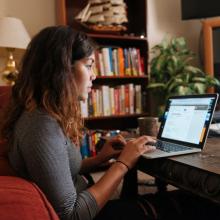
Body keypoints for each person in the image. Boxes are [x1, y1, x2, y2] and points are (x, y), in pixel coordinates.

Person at [1, 26, 218, 220]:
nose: (94, 76)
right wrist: (123, 164)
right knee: (197, 203)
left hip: (89, 195)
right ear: (61, 70)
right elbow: (72, 214)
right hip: (93, 212)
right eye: (88, 66)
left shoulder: (41, 116)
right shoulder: (42, 127)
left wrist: (98, 160)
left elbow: (56, 171)